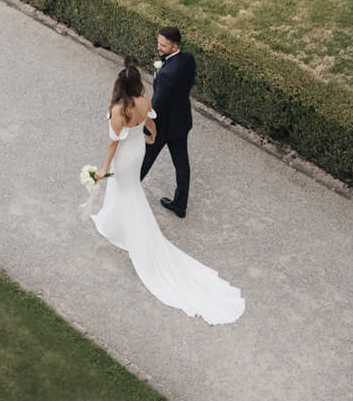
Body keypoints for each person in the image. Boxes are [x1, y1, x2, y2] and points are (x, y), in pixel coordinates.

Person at [90, 59, 244, 324]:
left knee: (130, 196)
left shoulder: (119, 109)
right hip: (137, 150)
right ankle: (112, 222)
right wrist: (150, 136)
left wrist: (103, 169)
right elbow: (151, 123)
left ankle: (137, 240)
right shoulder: (143, 99)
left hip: (125, 156)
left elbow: (113, 144)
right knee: (128, 192)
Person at [141, 25, 194, 218]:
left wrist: (149, 131)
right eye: (158, 43)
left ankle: (127, 199)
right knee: (182, 164)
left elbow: (154, 109)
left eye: (163, 45)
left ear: (174, 46)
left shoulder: (165, 76)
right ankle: (180, 205)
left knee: (143, 162)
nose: (159, 47)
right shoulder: (188, 59)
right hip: (182, 122)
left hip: (162, 127)